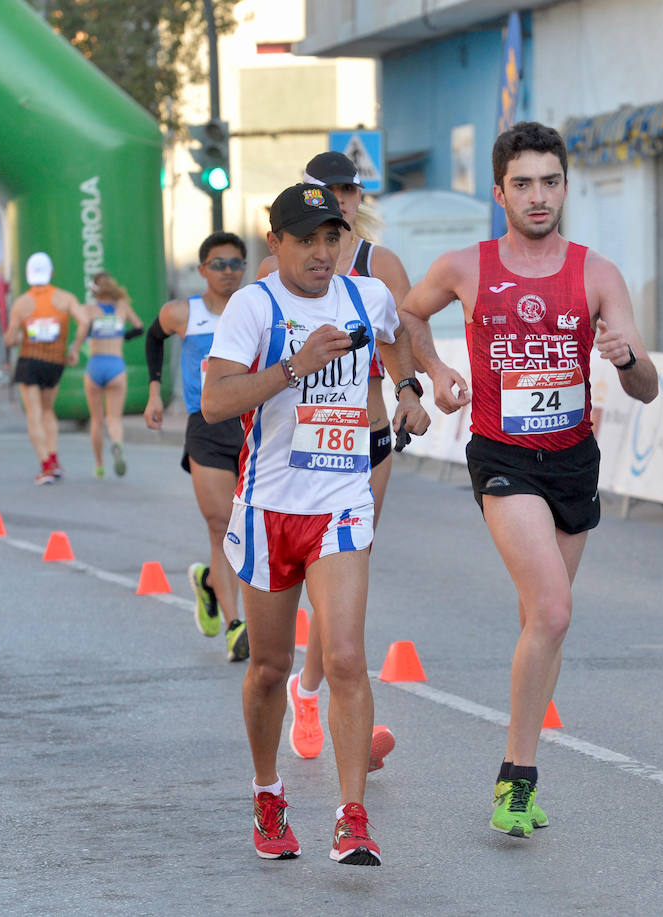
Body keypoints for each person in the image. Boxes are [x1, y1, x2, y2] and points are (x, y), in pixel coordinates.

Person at [399, 122, 659, 838]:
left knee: (539, 620)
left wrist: (626, 355)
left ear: (566, 188)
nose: (538, 196)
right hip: (504, 459)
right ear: (499, 191)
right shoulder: (465, 266)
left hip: (573, 460)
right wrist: (436, 372)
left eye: (550, 182)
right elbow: (408, 314)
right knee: (552, 609)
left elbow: (647, 388)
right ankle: (516, 780)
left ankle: (521, 762)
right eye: (523, 184)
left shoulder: (598, 274)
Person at [202, 183, 429, 865]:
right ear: (277, 243)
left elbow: (397, 338)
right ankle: (268, 793)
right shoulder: (255, 306)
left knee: (347, 658)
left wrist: (411, 388)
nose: (322, 252)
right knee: (270, 668)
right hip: (271, 506)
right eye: (306, 239)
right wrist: (295, 366)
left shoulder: (366, 296)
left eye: (331, 237)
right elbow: (215, 400)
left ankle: (351, 815)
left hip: (341, 500)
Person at [259, 151, 417, 770]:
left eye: (349, 190)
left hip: (365, 438)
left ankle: (319, 696)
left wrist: (415, 389)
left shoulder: (381, 268)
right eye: (327, 191)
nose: (342, 200)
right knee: (317, 578)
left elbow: (407, 332)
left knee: (346, 569)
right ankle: (308, 691)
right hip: (297, 448)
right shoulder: (278, 269)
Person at [144, 231, 251, 663]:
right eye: (219, 264)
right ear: (203, 269)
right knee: (221, 524)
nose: (228, 272)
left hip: (251, 427)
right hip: (205, 426)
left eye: (235, 264)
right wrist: (155, 391)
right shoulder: (182, 313)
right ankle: (234, 625)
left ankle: (210, 583)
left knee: (247, 529)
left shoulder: (257, 310)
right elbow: (153, 337)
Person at [5, 252, 79, 484]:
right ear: (51, 274)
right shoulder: (65, 298)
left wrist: (21, 336)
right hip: (55, 362)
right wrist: (74, 347)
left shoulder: (22, 303)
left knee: (34, 415)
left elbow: (9, 339)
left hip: (30, 361)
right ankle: (54, 460)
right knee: (48, 412)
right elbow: (85, 320)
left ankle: (46, 466)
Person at [68, 270, 143, 478]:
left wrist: (74, 350)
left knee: (96, 419)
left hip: (95, 364)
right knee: (114, 418)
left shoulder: (90, 310)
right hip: (116, 365)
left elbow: (81, 332)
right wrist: (121, 336)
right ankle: (117, 444)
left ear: (94, 290)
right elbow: (139, 328)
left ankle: (99, 465)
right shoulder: (122, 307)